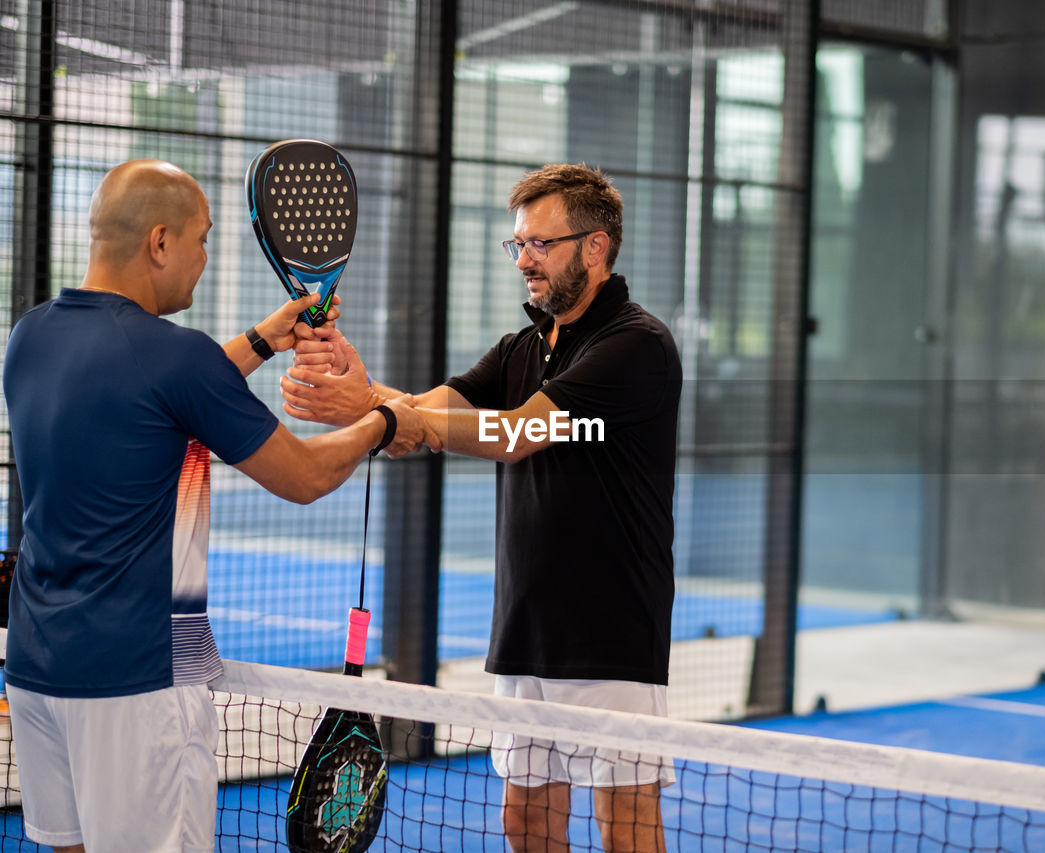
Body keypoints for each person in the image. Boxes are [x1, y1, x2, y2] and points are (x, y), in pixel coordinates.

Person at [1, 159, 429, 853]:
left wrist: (264, 338)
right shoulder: (178, 357)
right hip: (141, 680)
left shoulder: (32, 336)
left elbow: (147, 397)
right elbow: (306, 474)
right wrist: (387, 420)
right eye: (201, 240)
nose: (205, 259)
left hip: (36, 672)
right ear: (160, 241)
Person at [282, 163, 682, 853]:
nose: (524, 258)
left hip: (612, 633)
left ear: (595, 246)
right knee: (525, 823)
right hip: (526, 627)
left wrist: (373, 412)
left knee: (628, 830)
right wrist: (365, 389)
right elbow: (432, 412)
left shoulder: (635, 344)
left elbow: (519, 433)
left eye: (540, 243)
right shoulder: (523, 347)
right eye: (517, 243)